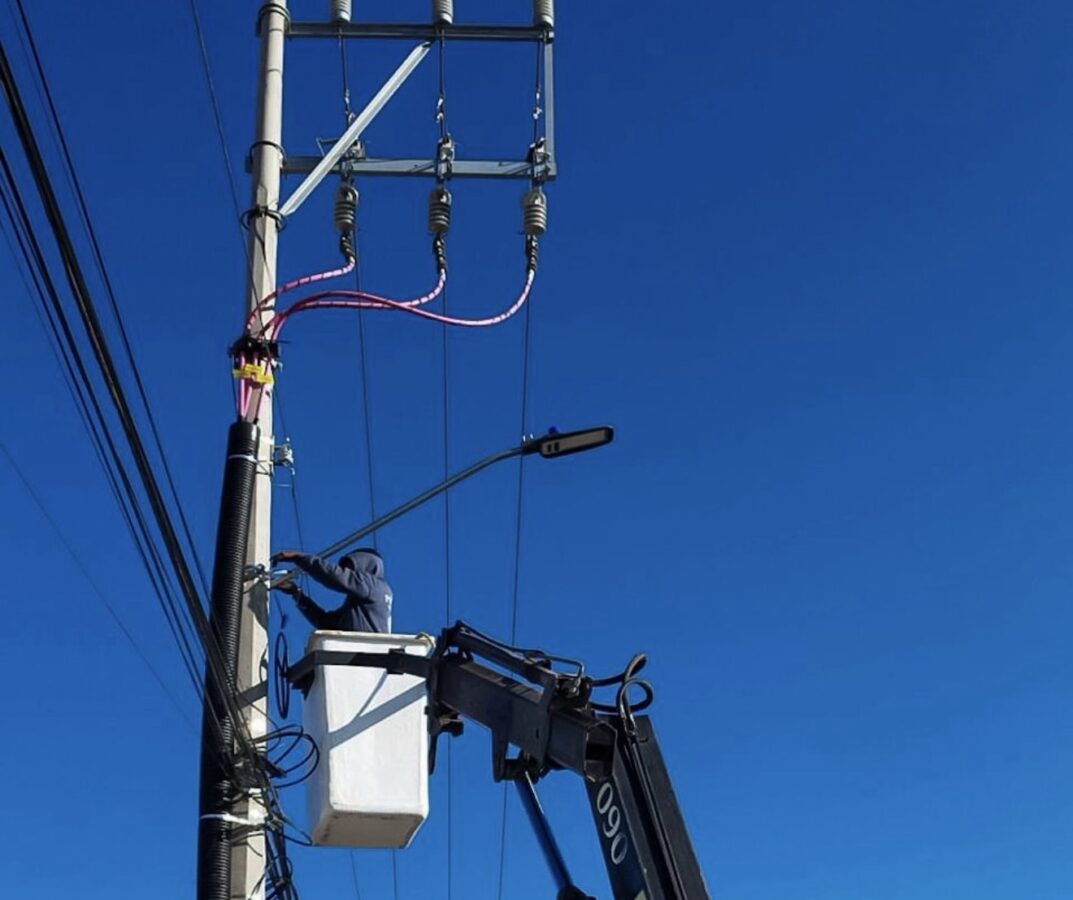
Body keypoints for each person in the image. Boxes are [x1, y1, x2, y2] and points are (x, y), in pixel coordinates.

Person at [271, 547, 393, 634]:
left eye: (351, 568)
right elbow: (325, 623)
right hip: (363, 657)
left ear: (366, 565)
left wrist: (299, 558)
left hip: (364, 655)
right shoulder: (364, 603)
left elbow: (334, 575)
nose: (348, 572)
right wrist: (296, 593)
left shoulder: (374, 586)